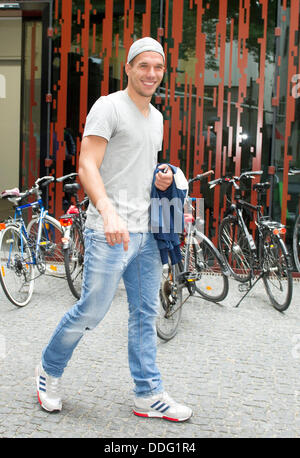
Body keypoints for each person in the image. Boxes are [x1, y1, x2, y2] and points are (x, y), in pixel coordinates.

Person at [35, 37, 192, 422]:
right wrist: (107, 211)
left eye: (158, 67)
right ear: (129, 68)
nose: (151, 74)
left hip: (148, 233)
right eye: (144, 66)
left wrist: (161, 178)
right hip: (110, 232)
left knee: (144, 313)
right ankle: (48, 372)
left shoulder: (156, 118)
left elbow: (135, 169)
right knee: (92, 310)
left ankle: (148, 393)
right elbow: (88, 163)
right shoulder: (108, 108)